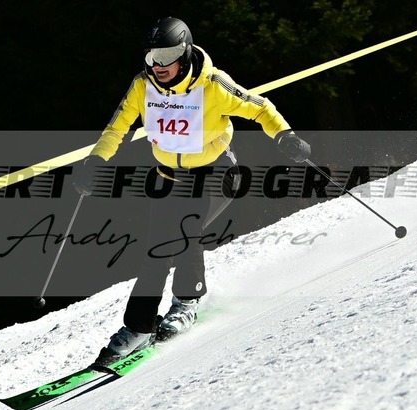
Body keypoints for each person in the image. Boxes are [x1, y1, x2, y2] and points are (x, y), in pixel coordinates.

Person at [73, 17, 310, 364]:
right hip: (170, 175)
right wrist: (95, 160)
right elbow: (116, 127)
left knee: (186, 230)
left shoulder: (212, 84)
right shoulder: (142, 86)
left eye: (167, 56)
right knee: (156, 249)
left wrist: (285, 135)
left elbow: (259, 107)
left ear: (184, 54)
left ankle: (187, 302)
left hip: (216, 170)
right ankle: (138, 326)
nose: (158, 64)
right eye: (152, 56)